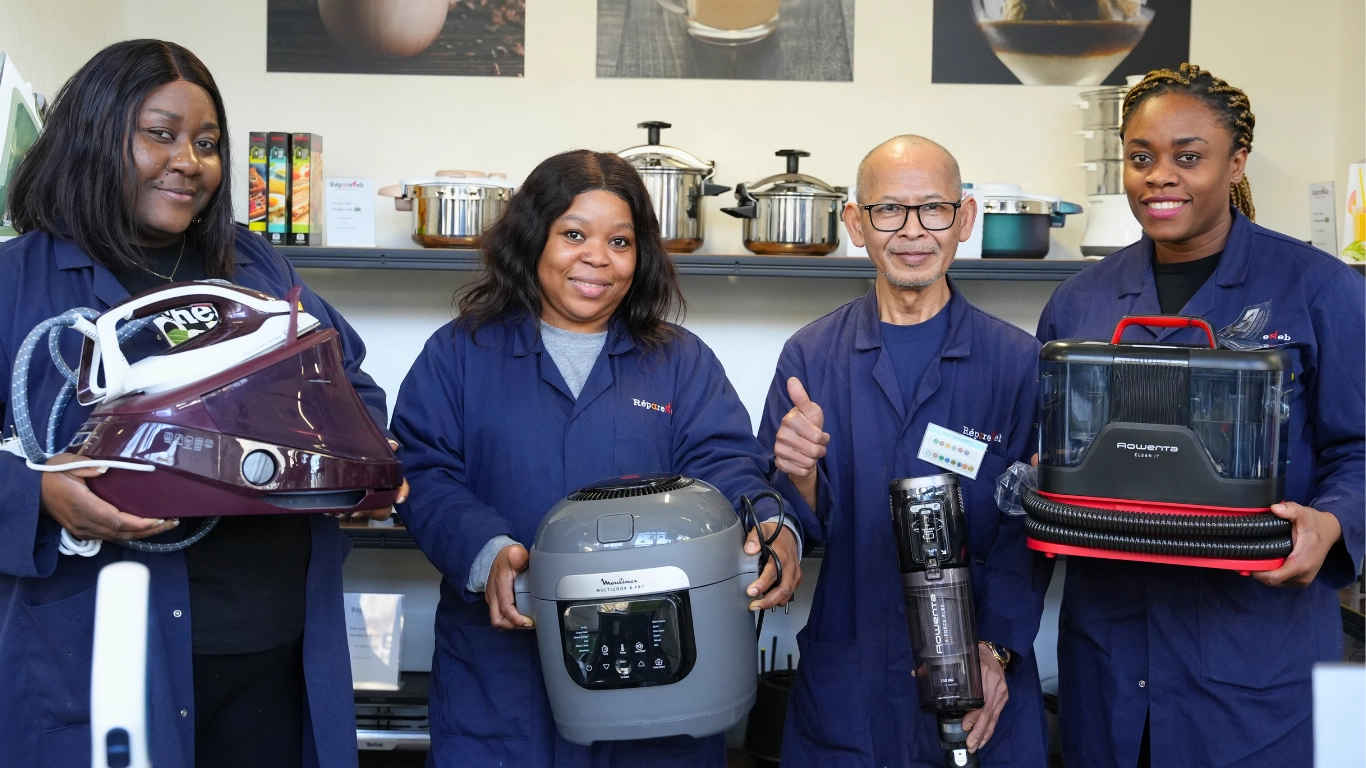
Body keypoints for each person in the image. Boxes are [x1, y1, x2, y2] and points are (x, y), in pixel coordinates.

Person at [0, 40, 403, 768]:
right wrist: (40, 495)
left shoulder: (254, 266)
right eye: (161, 134)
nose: (189, 161)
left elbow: (347, 383)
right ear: (94, 136)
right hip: (103, 646)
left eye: (208, 144)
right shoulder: (17, 284)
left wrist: (358, 458)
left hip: (271, 646)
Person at [390, 149, 802, 768]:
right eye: (574, 235)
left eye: (620, 241)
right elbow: (423, 471)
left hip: (661, 665)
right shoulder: (460, 354)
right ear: (533, 240)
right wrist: (486, 551)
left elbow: (726, 464)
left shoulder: (679, 361)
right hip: (502, 682)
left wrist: (771, 523)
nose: (598, 258)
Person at [1036, 64, 1365, 767]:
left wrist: (1332, 523)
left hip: (1255, 656)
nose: (1160, 176)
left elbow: (1360, 447)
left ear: (1236, 162)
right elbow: (1056, 450)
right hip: (1111, 660)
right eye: (1141, 157)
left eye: (1188, 157)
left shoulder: (1319, 289)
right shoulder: (1079, 303)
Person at [760, 135, 1050, 766]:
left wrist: (995, 649)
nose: (913, 230)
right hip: (851, 672)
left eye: (934, 208)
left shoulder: (1016, 362)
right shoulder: (811, 357)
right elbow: (790, 528)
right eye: (889, 209)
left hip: (979, 671)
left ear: (965, 218)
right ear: (855, 223)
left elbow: (1030, 529)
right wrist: (798, 475)